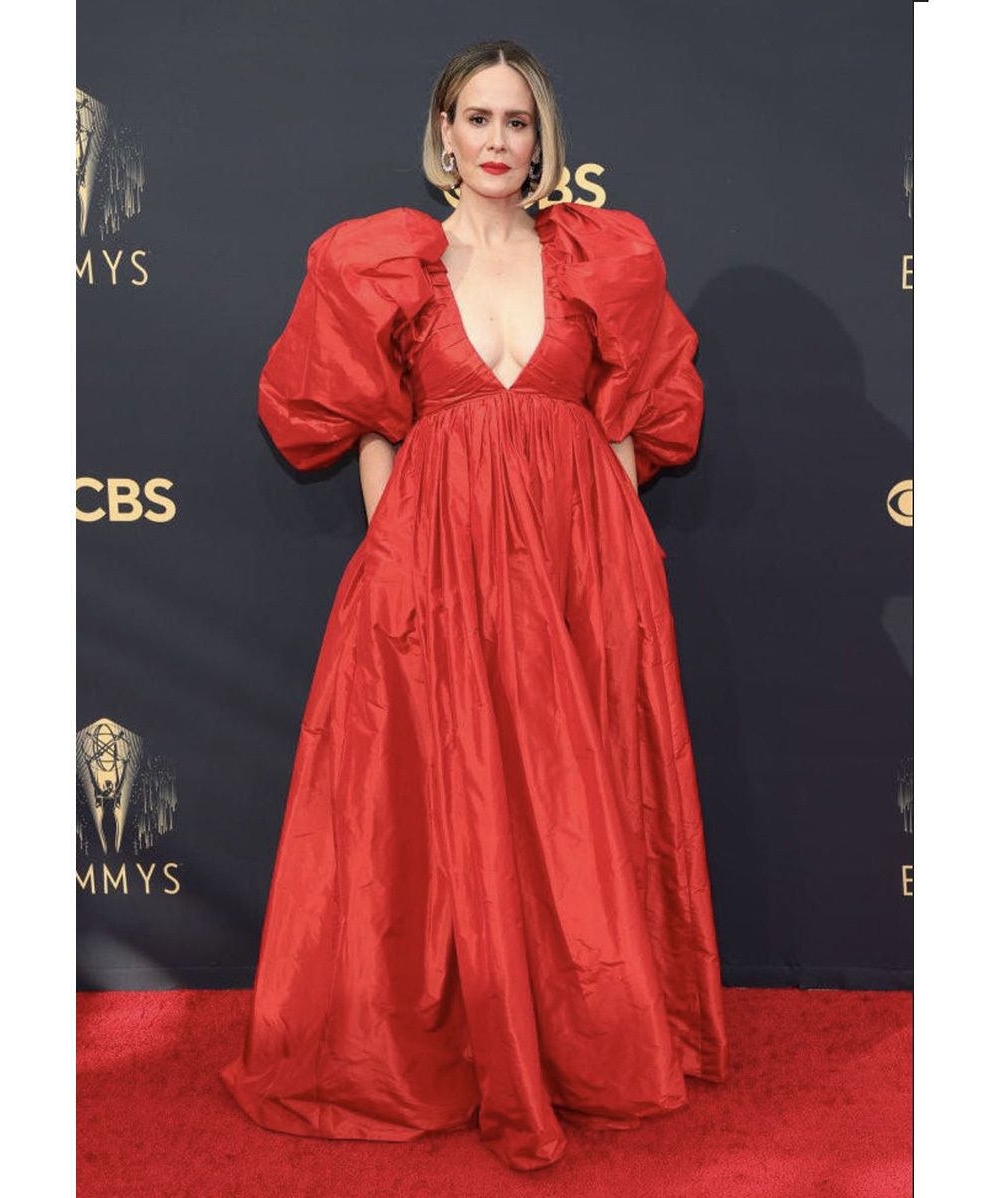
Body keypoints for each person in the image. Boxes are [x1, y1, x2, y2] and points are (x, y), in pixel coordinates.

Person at [220, 38, 729, 1172]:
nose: (498, 143)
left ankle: (588, 1042)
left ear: (541, 142)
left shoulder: (605, 253)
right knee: (448, 806)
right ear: (442, 135)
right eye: (478, 120)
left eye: (517, 123)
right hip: (435, 564)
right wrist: (397, 558)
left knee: (575, 799)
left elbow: (642, 406)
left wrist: (600, 518)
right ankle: (459, 1047)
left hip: (576, 574)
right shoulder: (385, 261)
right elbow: (368, 426)